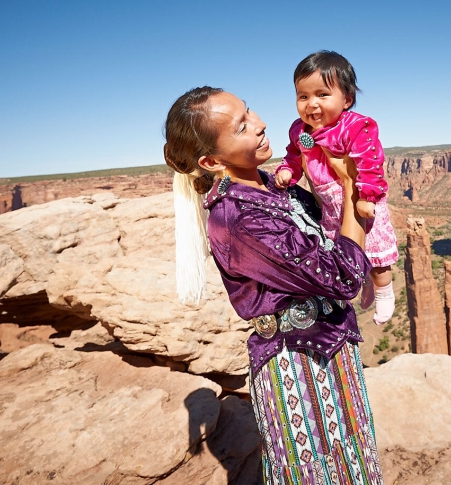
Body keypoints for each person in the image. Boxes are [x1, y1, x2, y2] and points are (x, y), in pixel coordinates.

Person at [163, 86, 384, 484]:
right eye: (242, 126)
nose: (261, 124)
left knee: (354, 467)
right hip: (297, 368)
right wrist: (353, 185)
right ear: (210, 160)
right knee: (319, 473)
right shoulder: (237, 217)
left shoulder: (269, 183)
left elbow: (327, 228)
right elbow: (345, 273)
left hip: (331, 352)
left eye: (250, 112)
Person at [274, 51, 398, 326]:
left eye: (322, 95)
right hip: (329, 206)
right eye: (303, 96)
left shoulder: (355, 127)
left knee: (376, 255)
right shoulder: (299, 130)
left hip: (356, 199)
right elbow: (294, 155)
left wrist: (367, 197)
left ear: (347, 99)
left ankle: (384, 291)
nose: (311, 104)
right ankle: (361, 281)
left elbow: (370, 161)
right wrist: (287, 171)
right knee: (343, 252)